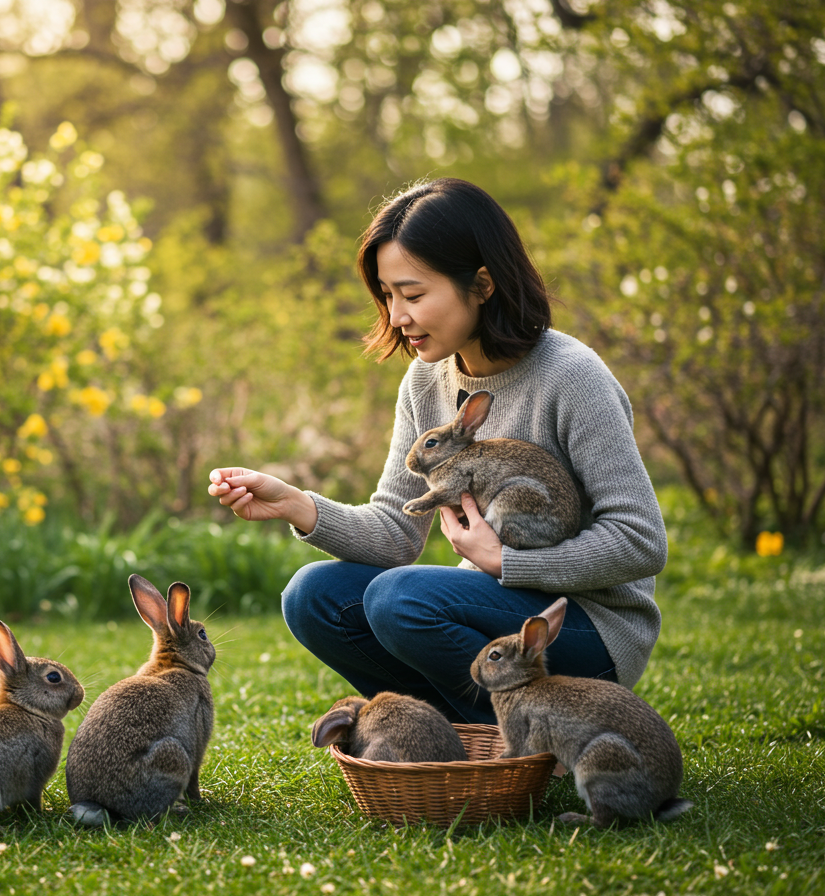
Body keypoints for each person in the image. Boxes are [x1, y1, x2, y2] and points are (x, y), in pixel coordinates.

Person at [207, 178, 667, 724]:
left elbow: (641, 540)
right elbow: (396, 530)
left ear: (482, 284)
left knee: (400, 598)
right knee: (314, 595)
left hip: (585, 629)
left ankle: (537, 729)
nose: (397, 316)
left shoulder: (572, 376)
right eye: (387, 295)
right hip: (491, 612)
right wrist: (295, 505)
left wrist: (508, 561)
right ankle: (460, 734)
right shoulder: (426, 382)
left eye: (414, 294)